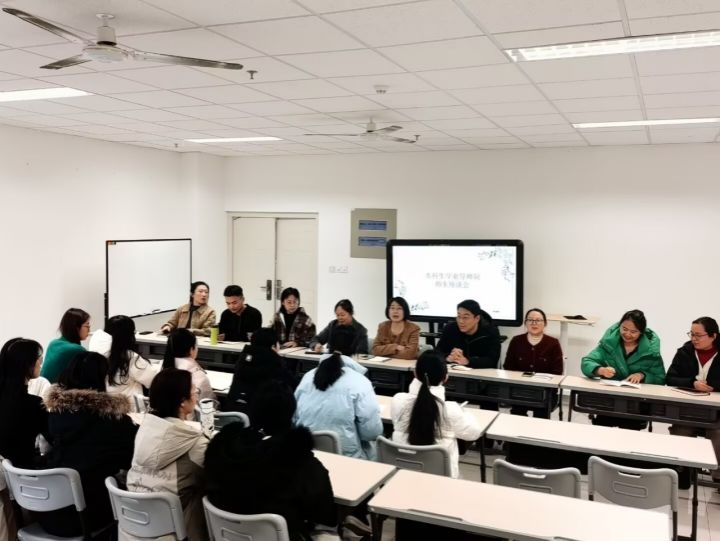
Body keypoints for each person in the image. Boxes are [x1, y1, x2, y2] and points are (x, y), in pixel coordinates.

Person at [206, 380, 337, 541]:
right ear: (292, 413)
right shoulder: (299, 461)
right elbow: (325, 515)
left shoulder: (221, 450)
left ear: (253, 410)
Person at [40, 351, 138, 537]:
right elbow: (132, 458)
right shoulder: (113, 421)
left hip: (49, 512)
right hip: (90, 514)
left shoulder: (55, 415)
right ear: (101, 379)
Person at [126, 368, 209, 541]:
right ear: (182, 401)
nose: (196, 393)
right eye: (194, 390)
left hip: (134, 527)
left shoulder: (143, 430)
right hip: (173, 531)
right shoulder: (195, 444)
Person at [296, 325, 382, 460]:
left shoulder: (308, 377)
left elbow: (295, 418)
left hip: (307, 452)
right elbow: (371, 433)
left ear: (329, 345)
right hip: (347, 457)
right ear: (356, 349)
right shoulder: (359, 382)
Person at [391, 351, 482, 478]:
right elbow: (474, 433)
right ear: (446, 378)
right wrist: (464, 412)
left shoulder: (399, 400)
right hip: (441, 481)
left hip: (401, 476)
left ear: (415, 373)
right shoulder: (450, 410)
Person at [581, 309, 665, 429]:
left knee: (629, 433)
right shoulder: (608, 344)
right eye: (624, 329)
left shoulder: (651, 350)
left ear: (641, 332)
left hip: (636, 405)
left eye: (633, 331)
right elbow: (587, 362)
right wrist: (600, 370)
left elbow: (660, 378)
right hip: (608, 401)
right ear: (619, 326)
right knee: (601, 432)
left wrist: (642, 375)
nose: (628, 334)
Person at [666, 317, 720, 481]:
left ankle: (718, 476)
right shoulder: (685, 352)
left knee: (718, 434)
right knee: (680, 431)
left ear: (713, 336)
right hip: (690, 410)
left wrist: (714, 386)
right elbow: (670, 378)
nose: (694, 339)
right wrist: (692, 383)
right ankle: (681, 475)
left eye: (698, 335)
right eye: (691, 334)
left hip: (717, 412)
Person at [89, 315, 159, 409]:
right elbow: (152, 380)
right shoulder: (128, 357)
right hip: (129, 409)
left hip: (105, 408)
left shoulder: (95, 350)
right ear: (127, 336)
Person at [503, 308, 563, 418]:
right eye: (530, 320)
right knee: (517, 415)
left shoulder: (553, 343)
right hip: (520, 390)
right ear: (525, 323)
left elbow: (557, 371)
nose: (534, 323)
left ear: (545, 323)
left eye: (538, 320)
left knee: (541, 416)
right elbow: (508, 367)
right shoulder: (516, 341)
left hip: (545, 392)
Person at [0, 338, 49, 467]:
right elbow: (55, 438)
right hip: (24, 472)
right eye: (39, 358)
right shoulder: (33, 404)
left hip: (8, 472)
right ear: (26, 363)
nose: (41, 362)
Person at [226, 328, 297, 413]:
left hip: (233, 412)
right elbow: (294, 386)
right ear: (273, 346)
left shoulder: (243, 360)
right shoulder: (274, 363)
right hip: (261, 415)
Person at [436, 300, 501, 368]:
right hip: (454, 371)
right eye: (459, 316)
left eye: (465, 317)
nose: (461, 321)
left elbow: (492, 360)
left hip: (481, 373)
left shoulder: (490, 332)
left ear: (477, 318)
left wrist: (468, 361)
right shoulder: (450, 329)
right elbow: (437, 353)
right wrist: (447, 358)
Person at [162, 329, 215, 401]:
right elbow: (209, 402)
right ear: (191, 349)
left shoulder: (163, 369)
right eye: (196, 346)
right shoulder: (197, 375)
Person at [40, 307, 90, 383]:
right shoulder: (77, 350)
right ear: (76, 327)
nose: (89, 330)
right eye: (87, 326)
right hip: (58, 390)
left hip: (45, 389)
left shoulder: (53, 343)